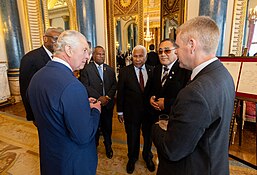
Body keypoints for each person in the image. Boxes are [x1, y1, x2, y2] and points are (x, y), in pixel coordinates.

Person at [152, 16, 235, 175]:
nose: (175, 50)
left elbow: (172, 150)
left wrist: (157, 128)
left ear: (191, 44)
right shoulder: (224, 75)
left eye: (177, 45)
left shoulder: (195, 92)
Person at [27, 30, 101, 175]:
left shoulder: (37, 77)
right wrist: (95, 110)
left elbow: (53, 107)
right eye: (85, 50)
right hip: (73, 163)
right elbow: (84, 135)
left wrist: (80, 104)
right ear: (68, 49)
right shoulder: (73, 86)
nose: (88, 56)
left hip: (50, 159)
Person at [116, 45, 155, 174]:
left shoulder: (152, 70)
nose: (137, 59)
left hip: (149, 113)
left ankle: (147, 156)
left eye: (140, 56)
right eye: (135, 56)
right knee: (132, 137)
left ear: (146, 57)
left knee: (148, 136)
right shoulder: (124, 72)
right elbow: (120, 93)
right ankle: (132, 158)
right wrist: (120, 111)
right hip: (131, 112)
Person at [19, 27, 64, 122]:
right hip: (42, 111)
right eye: (55, 39)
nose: (58, 43)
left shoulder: (60, 57)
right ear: (45, 39)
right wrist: (32, 115)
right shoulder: (30, 58)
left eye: (60, 40)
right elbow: (25, 89)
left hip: (58, 110)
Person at [80, 46, 117, 159]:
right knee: (94, 128)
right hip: (94, 105)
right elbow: (85, 86)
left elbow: (114, 85)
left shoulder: (110, 69)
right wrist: (100, 98)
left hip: (107, 105)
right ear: (93, 55)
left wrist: (107, 97)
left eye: (103, 54)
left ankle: (108, 146)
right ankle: (94, 147)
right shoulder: (86, 69)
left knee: (107, 127)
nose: (101, 56)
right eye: (99, 54)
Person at [149, 39, 191, 122]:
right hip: (155, 120)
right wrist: (150, 99)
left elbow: (187, 100)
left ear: (176, 51)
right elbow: (150, 89)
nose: (162, 54)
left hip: (175, 120)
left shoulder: (185, 70)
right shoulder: (156, 69)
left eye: (167, 51)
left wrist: (166, 104)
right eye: (160, 52)